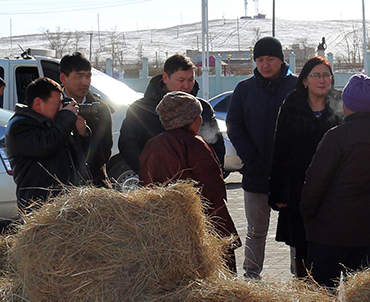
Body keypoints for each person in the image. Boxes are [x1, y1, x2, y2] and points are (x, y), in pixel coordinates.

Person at [300, 73, 370, 289]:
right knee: (358, 297)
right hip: (367, 230)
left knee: (323, 295)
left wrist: (307, 214)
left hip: (329, 232)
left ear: (347, 103)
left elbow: (316, 182)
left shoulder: (336, 137)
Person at [138, 91, 239, 273]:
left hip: (163, 231)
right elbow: (212, 192)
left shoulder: (151, 145)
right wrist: (224, 235)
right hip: (197, 231)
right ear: (191, 120)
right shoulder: (195, 145)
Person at [226, 36, 298, 279]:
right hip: (255, 174)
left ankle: (301, 280)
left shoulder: (298, 87)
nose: (265, 65)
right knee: (256, 231)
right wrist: (250, 158)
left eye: (270, 59)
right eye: (259, 60)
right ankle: (251, 278)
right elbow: (234, 125)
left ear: (281, 60)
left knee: (296, 230)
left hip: (290, 177)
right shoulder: (245, 89)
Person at [268, 57, 343, 278]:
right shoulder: (292, 106)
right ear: (304, 81)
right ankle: (304, 289)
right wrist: (278, 191)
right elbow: (280, 149)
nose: (322, 80)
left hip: (333, 189)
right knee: (302, 244)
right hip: (297, 188)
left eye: (326, 75)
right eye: (316, 75)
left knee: (331, 243)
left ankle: (329, 290)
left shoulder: (340, 104)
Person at [119, 53, 225, 176]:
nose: (186, 86)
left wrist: (214, 173)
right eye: (181, 80)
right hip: (156, 186)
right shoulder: (141, 109)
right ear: (165, 78)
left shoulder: (203, 108)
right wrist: (149, 172)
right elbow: (128, 145)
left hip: (199, 185)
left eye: (190, 80)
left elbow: (216, 145)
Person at [6, 77, 89, 211]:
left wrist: (81, 134)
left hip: (64, 205)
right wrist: (66, 117)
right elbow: (47, 146)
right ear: (38, 103)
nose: (61, 108)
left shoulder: (54, 125)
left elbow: (79, 157)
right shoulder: (19, 126)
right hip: (38, 207)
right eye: (57, 103)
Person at [59, 52, 112, 188]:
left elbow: (105, 150)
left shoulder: (101, 109)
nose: (85, 82)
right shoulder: (52, 107)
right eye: (79, 76)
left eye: (88, 76)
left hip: (94, 185)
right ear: (63, 78)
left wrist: (85, 136)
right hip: (60, 186)